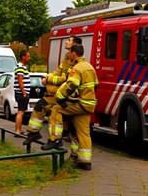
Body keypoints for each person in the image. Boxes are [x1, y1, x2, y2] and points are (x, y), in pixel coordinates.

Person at [51, 42, 98, 170]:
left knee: (56, 109)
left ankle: (55, 139)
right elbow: (95, 85)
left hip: (81, 103)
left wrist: (60, 97)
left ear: (74, 53)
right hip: (89, 104)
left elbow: (71, 85)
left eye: (70, 53)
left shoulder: (77, 68)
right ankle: (85, 161)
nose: (69, 55)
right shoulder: (90, 67)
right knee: (83, 133)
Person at [25, 36, 77, 146]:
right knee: (40, 105)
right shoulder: (66, 58)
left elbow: (65, 79)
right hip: (58, 95)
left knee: (55, 112)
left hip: (67, 97)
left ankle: (56, 139)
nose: (66, 42)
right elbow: (57, 72)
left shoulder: (75, 62)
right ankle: (33, 133)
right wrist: (49, 77)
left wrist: (48, 79)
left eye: (69, 40)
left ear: (75, 45)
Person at [13, 49, 31, 134]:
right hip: (21, 93)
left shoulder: (22, 67)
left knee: (21, 111)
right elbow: (20, 80)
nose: (29, 58)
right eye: (28, 56)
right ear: (23, 57)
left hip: (21, 93)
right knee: (21, 112)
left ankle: (19, 129)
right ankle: (17, 130)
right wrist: (24, 92)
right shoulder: (20, 67)